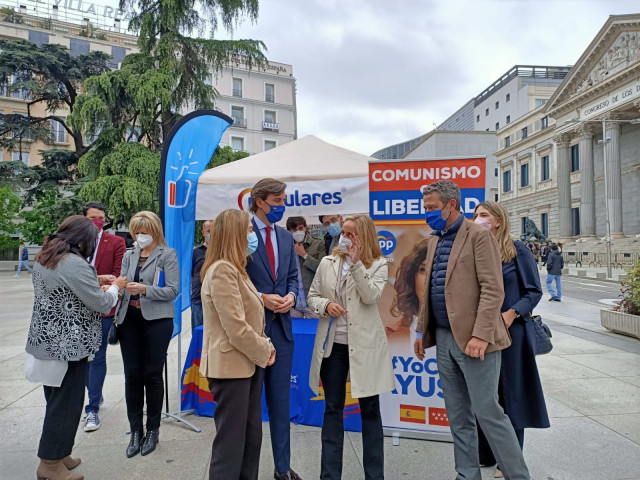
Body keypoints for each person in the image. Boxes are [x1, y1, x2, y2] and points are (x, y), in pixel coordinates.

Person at [413, 180, 530, 480]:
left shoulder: (479, 236)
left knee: (488, 412)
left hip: (475, 341)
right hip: (443, 338)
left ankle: (518, 475)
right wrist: (419, 332)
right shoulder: (435, 240)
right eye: (425, 208)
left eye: (432, 208)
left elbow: (493, 289)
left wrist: (480, 334)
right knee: (458, 416)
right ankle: (467, 475)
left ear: (451, 205)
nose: (427, 213)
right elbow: (430, 290)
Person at [24, 216, 126, 480]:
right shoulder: (73, 263)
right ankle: (49, 464)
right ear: (81, 240)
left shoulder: (47, 257)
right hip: (68, 346)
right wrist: (116, 287)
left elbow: (69, 286)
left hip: (48, 342)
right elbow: (102, 303)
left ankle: (59, 452)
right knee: (66, 404)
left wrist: (94, 277)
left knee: (57, 400)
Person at [307, 214, 395, 480]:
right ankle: (330, 475)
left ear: (364, 236)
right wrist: (325, 306)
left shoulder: (378, 264)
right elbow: (312, 297)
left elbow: (371, 297)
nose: (345, 237)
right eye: (343, 232)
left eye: (351, 233)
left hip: (365, 347)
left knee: (370, 410)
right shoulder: (327, 262)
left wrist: (357, 263)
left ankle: (374, 475)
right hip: (333, 346)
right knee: (333, 408)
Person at [473, 201, 550, 478]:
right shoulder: (476, 249)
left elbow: (534, 291)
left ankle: (509, 460)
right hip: (481, 332)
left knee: (512, 395)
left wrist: (512, 313)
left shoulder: (517, 250)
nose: (477, 219)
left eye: (483, 215)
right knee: (485, 394)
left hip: (512, 333)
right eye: (475, 215)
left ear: (497, 220)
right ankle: (485, 454)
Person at [200, 209, 276, 480]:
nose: (253, 235)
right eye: (249, 230)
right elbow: (235, 327)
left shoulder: (236, 268)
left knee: (249, 437)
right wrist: (265, 349)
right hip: (231, 368)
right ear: (234, 234)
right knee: (231, 446)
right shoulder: (222, 270)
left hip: (245, 364)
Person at [245, 178, 301, 480]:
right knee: (250, 409)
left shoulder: (285, 237)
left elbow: (293, 277)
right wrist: (262, 298)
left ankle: (282, 469)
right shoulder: (242, 234)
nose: (281, 206)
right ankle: (247, 472)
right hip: (252, 333)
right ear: (259, 201)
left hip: (282, 331)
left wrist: (291, 296)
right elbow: (234, 278)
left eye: (283, 201)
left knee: (281, 406)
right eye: (276, 201)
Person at [116, 211, 179, 458]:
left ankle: (153, 429)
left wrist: (145, 289)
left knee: (153, 374)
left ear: (155, 231)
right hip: (128, 319)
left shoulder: (168, 254)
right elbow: (122, 284)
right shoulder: (129, 254)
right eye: (137, 232)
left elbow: (173, 290)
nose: (141, 236)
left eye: (145, 232)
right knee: (132, 374)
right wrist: (116, 288)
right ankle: (135, 430)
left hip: (157, 321)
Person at [82, 201, 127, 432]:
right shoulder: (74, 242)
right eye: (92, 218)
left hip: (103, 307)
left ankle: (92, 408)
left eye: (101, 217)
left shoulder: (116, 242)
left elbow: (118, 274)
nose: (97, 221)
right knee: (81, 358)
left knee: (97, 357)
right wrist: (95, 281)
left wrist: (101, 283)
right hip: (77, 308)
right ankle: (94, 396)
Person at [387, 238, 430, 344]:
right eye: (423, 270)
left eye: (437, 269)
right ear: (412, 278)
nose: (430, 278)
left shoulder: (464, 335)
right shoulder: (390, 335)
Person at [286, 216, 325, 313]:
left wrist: (304, 255)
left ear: (305, 228)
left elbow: (323, 269)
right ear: (289, 231)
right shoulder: (285, 247)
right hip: (293, 299)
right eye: (294, 230)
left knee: (315, 327)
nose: (298, 232)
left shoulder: (318, 244)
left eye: (300, 228)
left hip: (312, 297)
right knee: (295, 327)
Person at [191, 220, 212, 332]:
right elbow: (190, 274)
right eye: (209, 231)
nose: (211, 234)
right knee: (198, 335)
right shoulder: (195, 253)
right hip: (198, 300)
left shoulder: (223, 252)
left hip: (217, 301)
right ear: (203, 232)